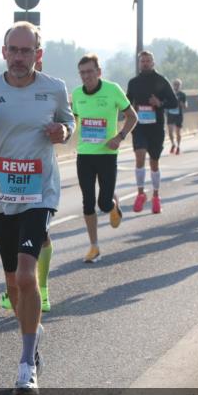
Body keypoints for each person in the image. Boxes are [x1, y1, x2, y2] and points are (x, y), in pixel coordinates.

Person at [0, 22, 74, 395]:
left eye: (27, 51)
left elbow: (67, 122)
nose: (20, 57)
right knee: (12, 284)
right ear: (4, 51)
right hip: (0, 195)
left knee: (27, 276)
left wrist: (64, 132)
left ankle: (27, 364)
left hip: (39, 192)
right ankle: (33, 330)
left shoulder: (54, 89)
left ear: (38, 55)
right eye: (14, 50)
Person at [71, 54, 137, 262]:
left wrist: (120, 136)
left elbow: (132, 116)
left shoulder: (113, 90)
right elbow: (75, 120)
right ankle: (94, 247)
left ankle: (112, 205)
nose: (86, 76)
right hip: (84, 155)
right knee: (87, 202)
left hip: (107, 154)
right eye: (82, 73)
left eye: (90, 71)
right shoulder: (76, 94)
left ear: (99, 72)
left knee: (103, 203)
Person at [126, 51, 178, 214]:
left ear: (153, 63)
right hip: (139, 126)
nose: (146, 63)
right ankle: (141, 193)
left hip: (156, 127)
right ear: (139, 63)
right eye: (143, 61)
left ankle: (156, 196)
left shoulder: (161, 81)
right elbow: (126, 101)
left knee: (154, 163)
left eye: (148, 61)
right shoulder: (133, 82)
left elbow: (173, 102)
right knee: (139, 156)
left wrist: (159, 103)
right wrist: (130, 109)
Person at [167, 78, 186, 154]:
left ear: (180, 86)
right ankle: (173, 144)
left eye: (178, 84)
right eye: (175, 84)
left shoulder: (182, 94)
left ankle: (178, 146)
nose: (176, 86)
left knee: (178, 132)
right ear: (172, 85)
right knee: (170, 132)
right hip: (170, 114)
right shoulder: (169, 93)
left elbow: (185, 106)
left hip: (178, 115)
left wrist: (182, 103)